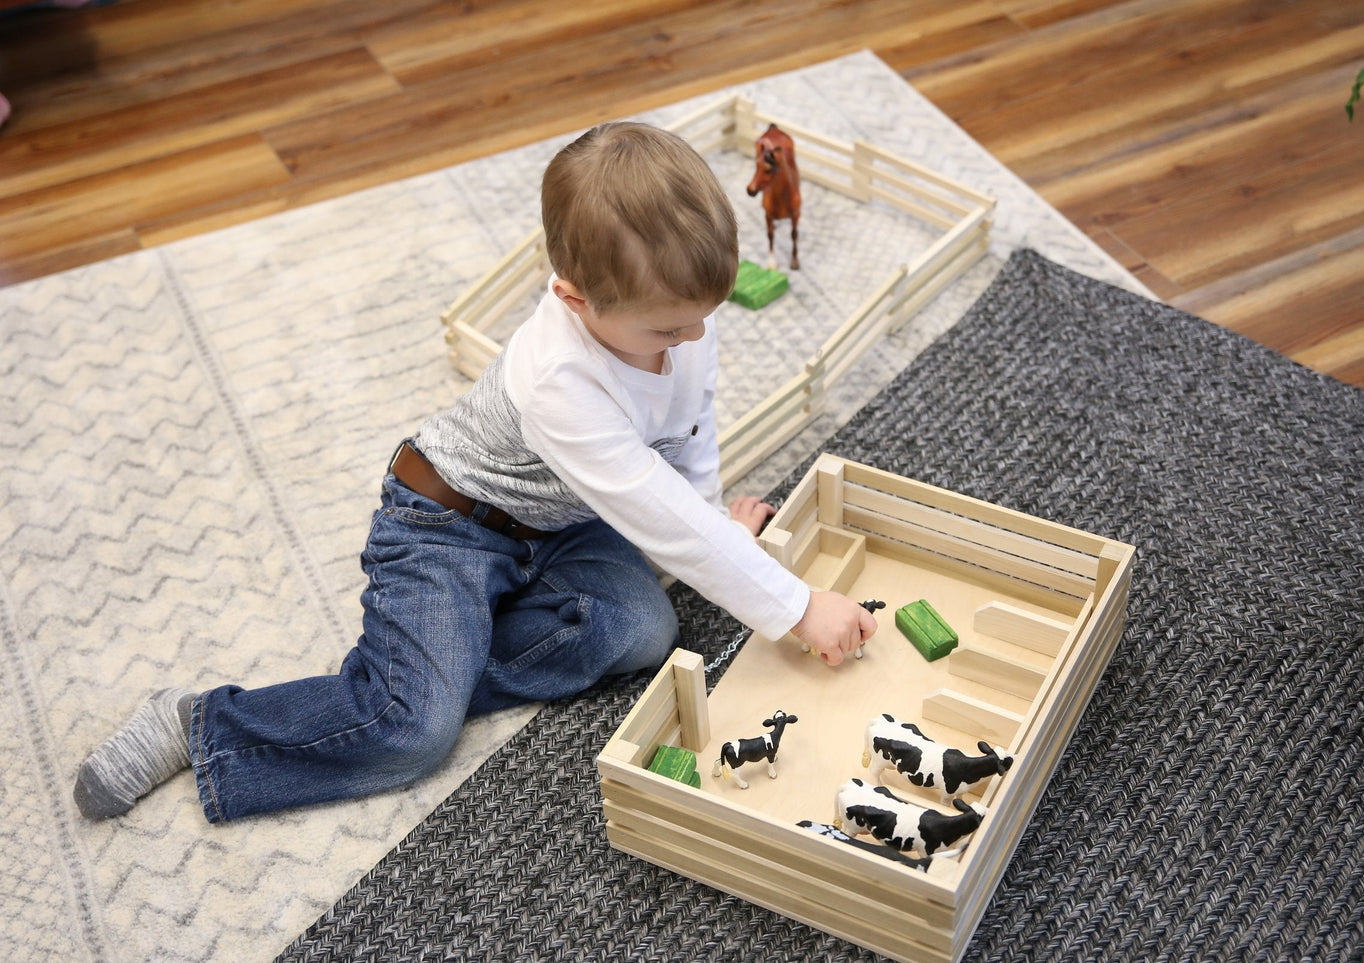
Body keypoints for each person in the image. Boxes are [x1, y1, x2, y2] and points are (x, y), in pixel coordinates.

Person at [73, 120, 876, 824]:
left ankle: (433, 668)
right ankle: (204, 726)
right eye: (669, 324)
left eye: (706, 310)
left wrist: (714, 515)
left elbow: (686, 440)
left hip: (566, 522)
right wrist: (796, 606)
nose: (694, 335)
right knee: (411, 733)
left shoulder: (681, 324)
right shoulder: (555, 378)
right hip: (446, 524)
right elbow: (655, 507)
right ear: (572, 297)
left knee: (642, 630)